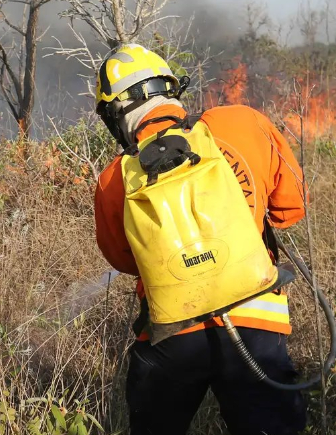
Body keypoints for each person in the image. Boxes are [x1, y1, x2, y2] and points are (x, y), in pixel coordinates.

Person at [92, 44, 308, 435]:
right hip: (257, 319)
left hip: (172, 333)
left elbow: (125, 260)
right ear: (170, 88)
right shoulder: (242, 122)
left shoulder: (113, 179)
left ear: (115, 113)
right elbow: (292, 209)